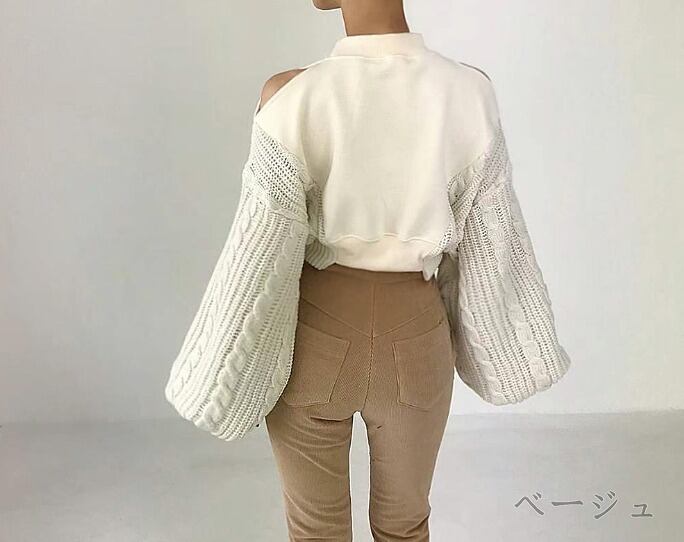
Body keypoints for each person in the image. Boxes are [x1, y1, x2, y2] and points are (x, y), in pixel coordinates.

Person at [164, 1, 572, 540]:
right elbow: (493, 241)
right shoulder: (469, 91)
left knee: (316, 532)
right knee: (406, 527)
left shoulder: (290, 95)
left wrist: (222, 362)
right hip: (417, 337)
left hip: (315, 337)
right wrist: (511, 345)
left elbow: (260, 250)